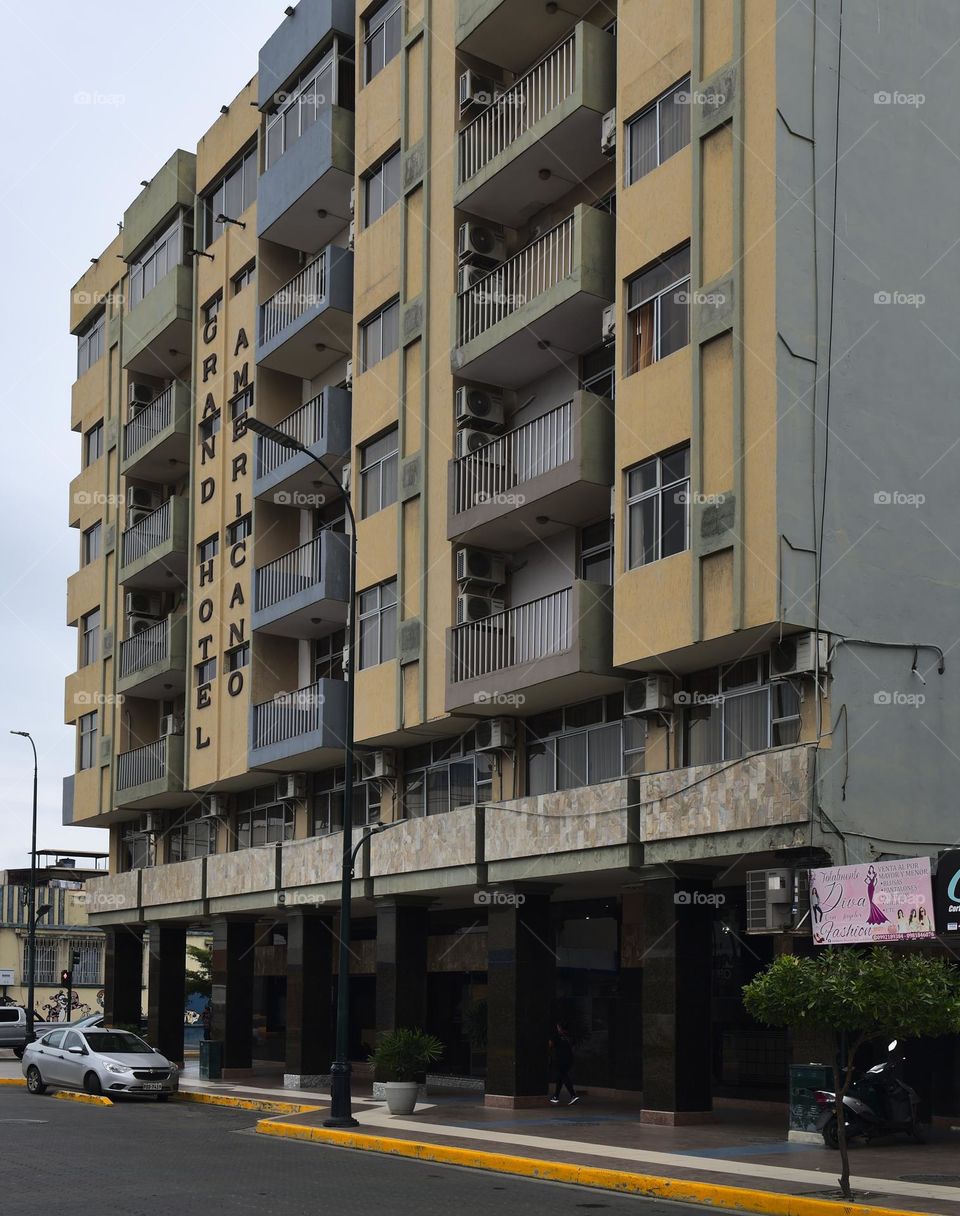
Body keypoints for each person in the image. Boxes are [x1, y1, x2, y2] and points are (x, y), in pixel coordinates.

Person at [548, 1022, 579, 1106]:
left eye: (558, 1027)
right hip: (569, 1060)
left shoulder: (556, 1036)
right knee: (560, 1077)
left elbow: (550, 1045)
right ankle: (556, 1097)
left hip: (559, 1060)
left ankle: (573, 1095)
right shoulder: (568, 1037)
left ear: (560, 1028)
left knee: (563, 1076)